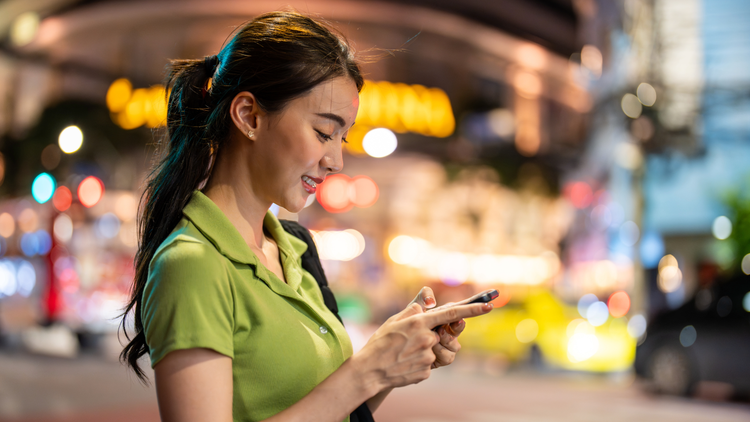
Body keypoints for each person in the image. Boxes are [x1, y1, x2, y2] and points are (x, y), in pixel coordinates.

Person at [119, 10, 493, 422]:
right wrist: (364, 373)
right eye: (323, 132)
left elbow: (329, 410)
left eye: (342, 137)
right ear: (249, 116)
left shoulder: (294, 249)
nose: (335, 160)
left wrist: (388, 363)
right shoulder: (192, 264)